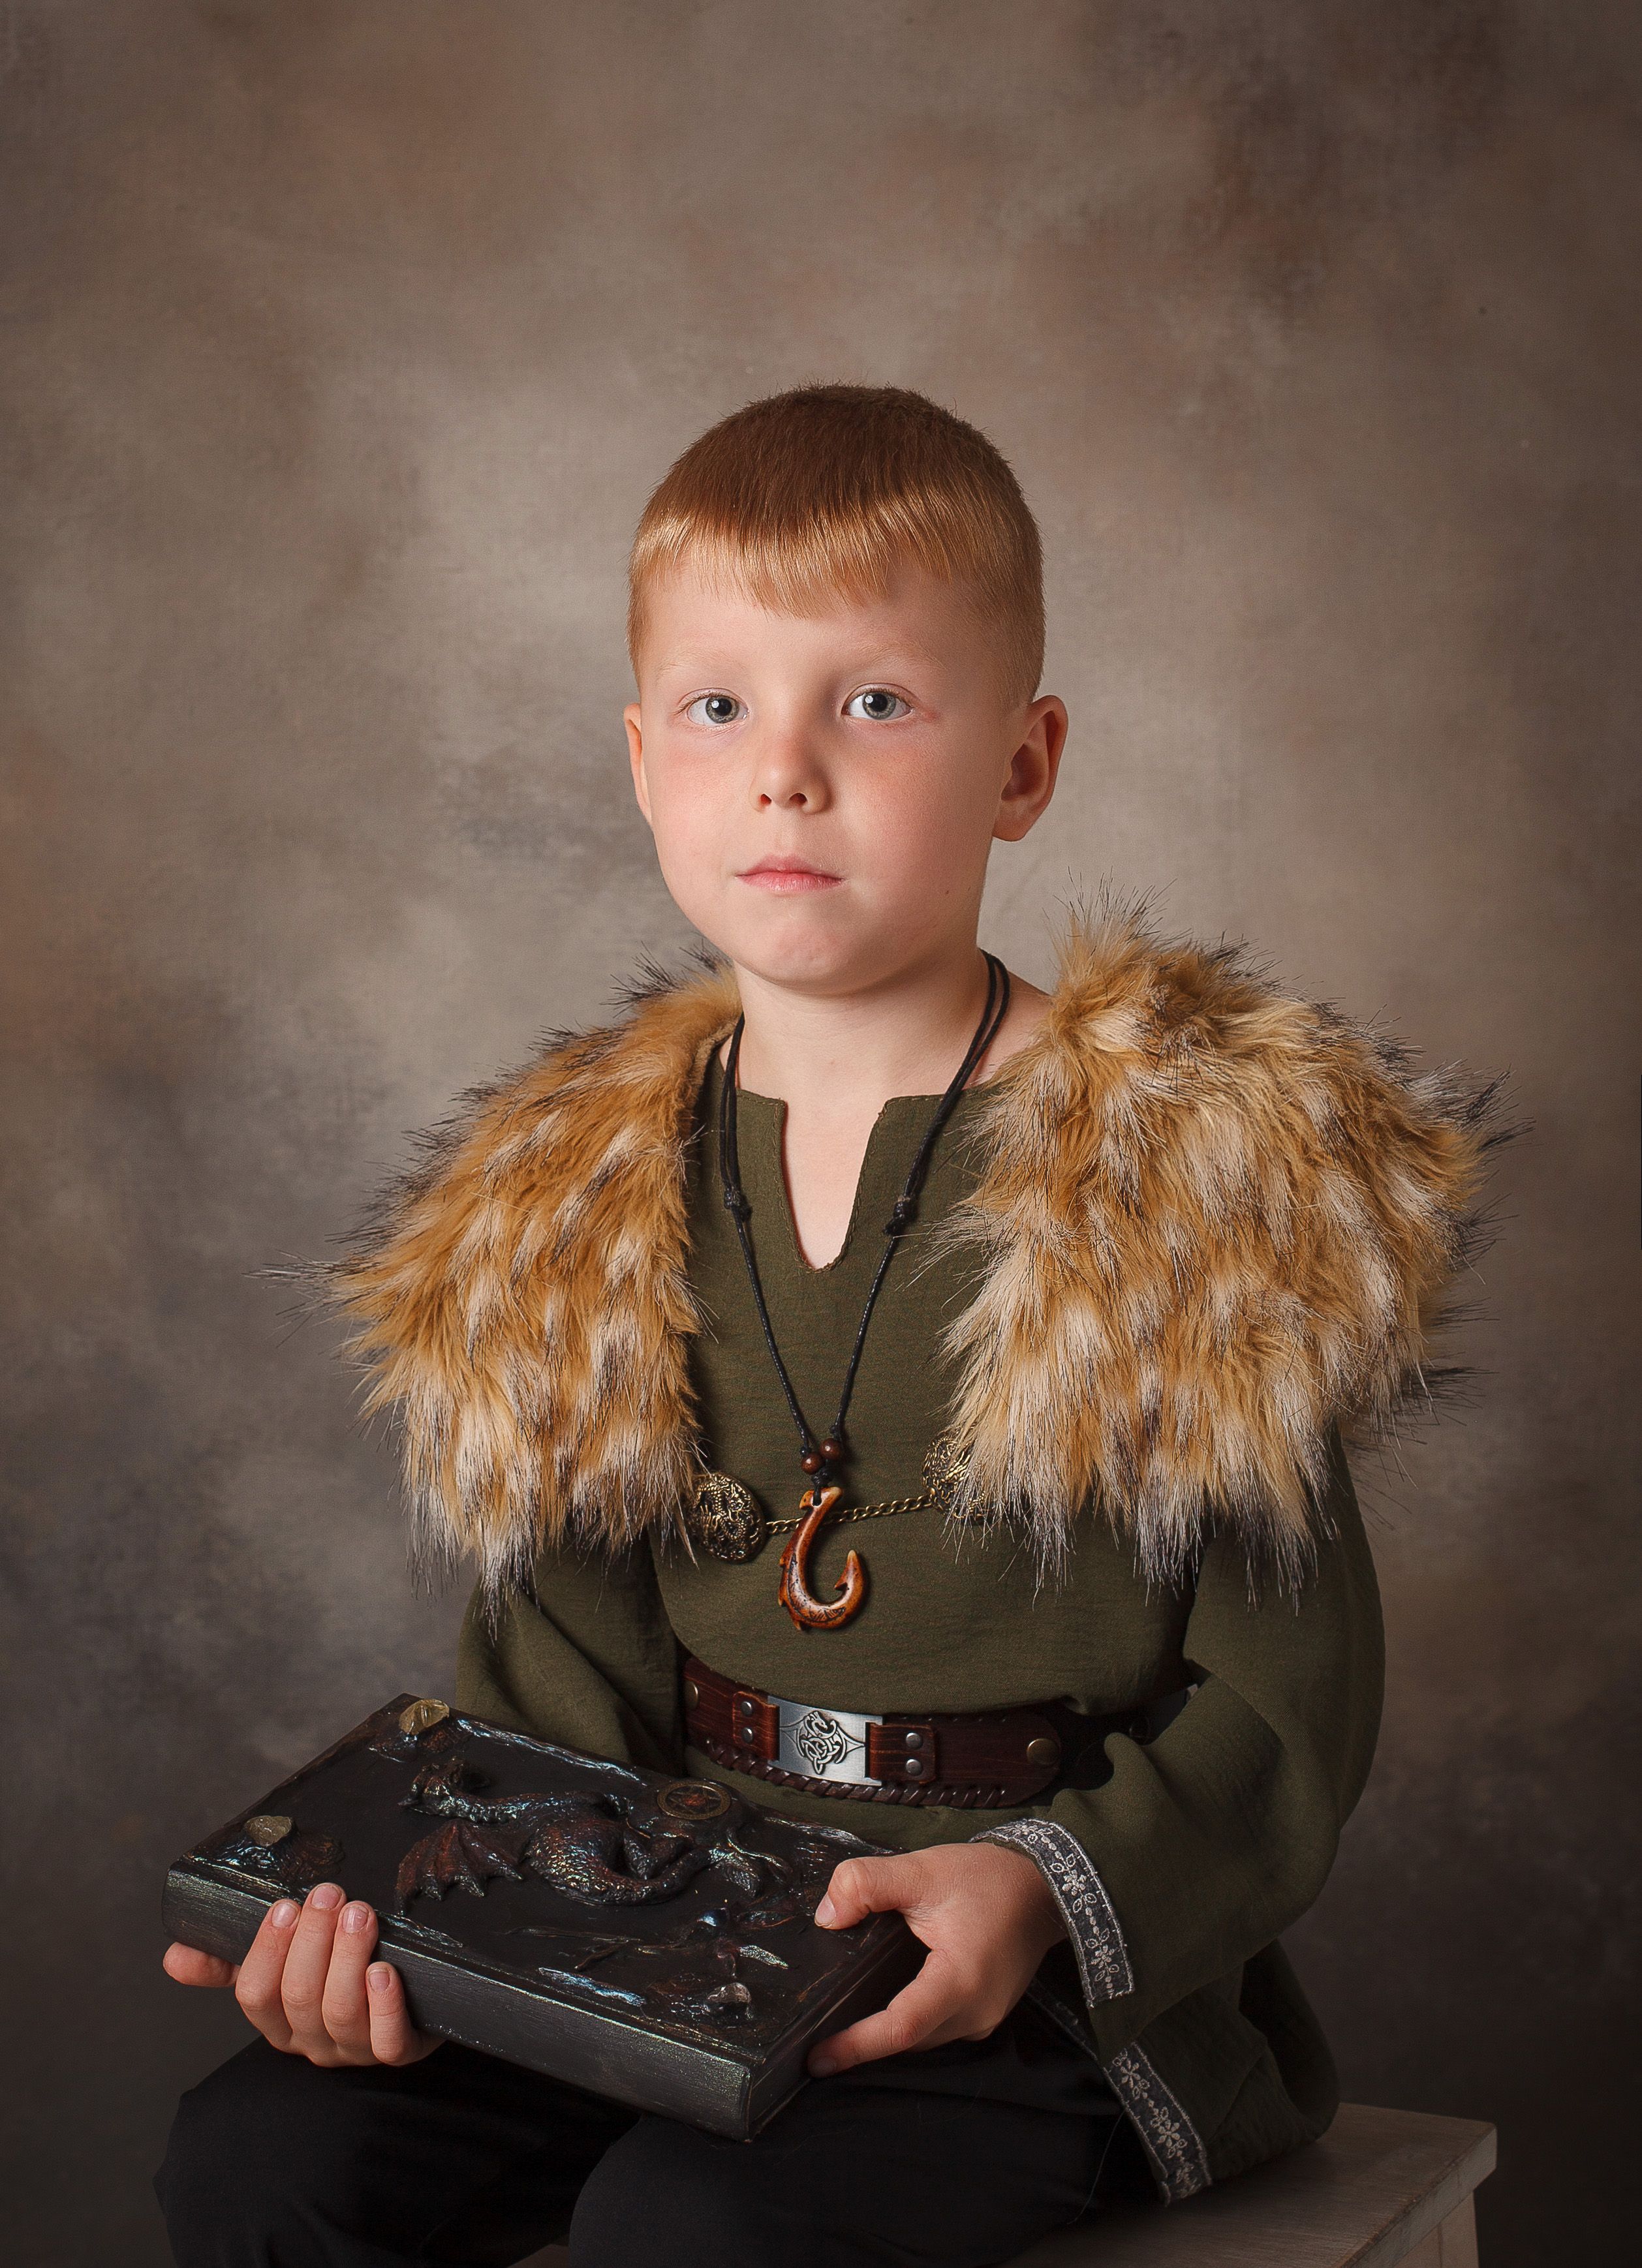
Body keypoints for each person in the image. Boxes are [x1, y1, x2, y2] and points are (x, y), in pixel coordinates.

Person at [156, 385, 1498, 2267]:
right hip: (671, 1931)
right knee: (257, 2157)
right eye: (719, 708)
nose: (783, 772)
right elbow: (557, 1691)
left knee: (692, 2228)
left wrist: (1040, 1892)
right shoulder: (572, 1206)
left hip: (1023, 1967)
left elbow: (1286, 1705)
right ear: (643, 762)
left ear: (1022, 764)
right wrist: (424, 1928)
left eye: (872, 701)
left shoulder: (1185, 1179)